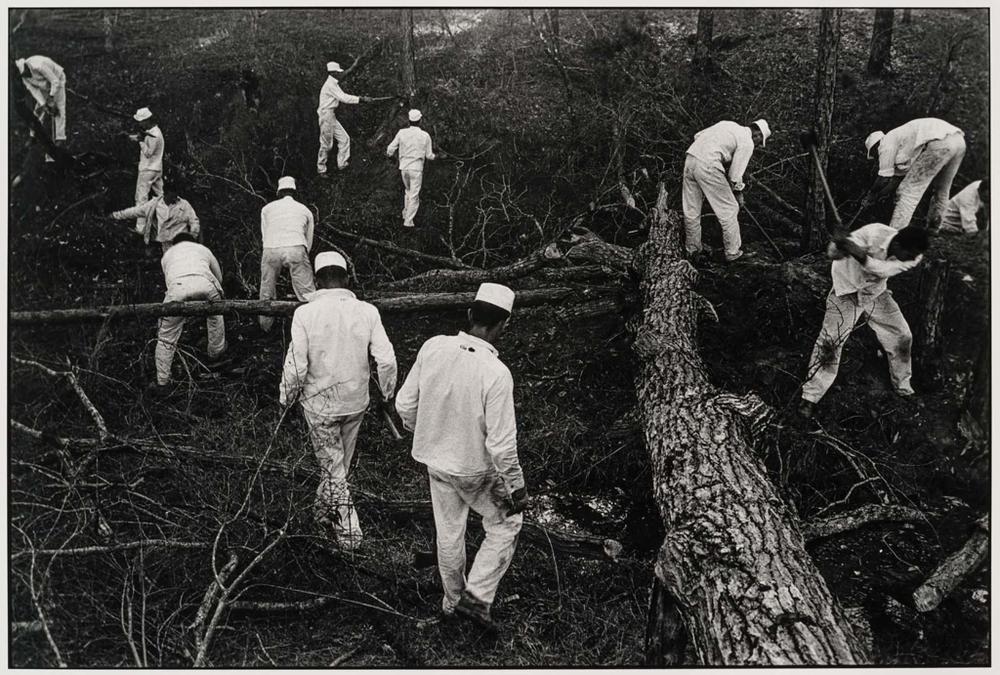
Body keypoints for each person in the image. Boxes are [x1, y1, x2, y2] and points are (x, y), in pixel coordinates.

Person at [395, 283, 528, 631]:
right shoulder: (496, 373)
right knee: (506, 524)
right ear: (505, 325)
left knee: (449, 531)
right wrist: (516, 488)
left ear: (469, 315)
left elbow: (404, 405)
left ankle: (452, 602)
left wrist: (421, 428)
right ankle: (476, 598)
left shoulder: (433, 347)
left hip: (435, 460)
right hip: (475, 470)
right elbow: (501, 445)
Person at [279, 251, 397, 550]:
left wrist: (286, 398)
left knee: (334, 468)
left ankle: (350, 538)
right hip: (355, 401)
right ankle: (321, 514)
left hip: (319, 405)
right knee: (336, 465)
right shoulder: (367, 311)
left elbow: (296, 364)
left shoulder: (305, 313)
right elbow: (386, 359)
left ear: (317, 281)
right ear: (346, 278)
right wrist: (386, 394)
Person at [799, 224, 930, 418]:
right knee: (830, 343)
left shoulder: (914, 257)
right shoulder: (873, 232)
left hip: (874, 292)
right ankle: (810, 397)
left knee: (902, 335)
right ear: (898, 245)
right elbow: (833, 255)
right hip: (846, 290)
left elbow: (880, 270)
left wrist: (859, 254)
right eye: (909, 254)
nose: (913, 259)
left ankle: (903, 387)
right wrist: (840, 243)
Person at [152, 233, 226, 390]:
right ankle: (215, 354)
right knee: (215, 317)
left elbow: (169, 280)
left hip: (178, 287)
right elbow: (218, 276)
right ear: (193, 241)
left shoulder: (167, 255)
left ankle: (162, 380)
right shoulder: (203, 249)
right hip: (206, 283)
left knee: (167, 334)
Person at [864, 118, 966, 231]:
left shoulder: (885, 143)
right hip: (959, 141)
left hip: (941, 141)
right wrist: (878, 196)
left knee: (907, 192)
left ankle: (896, 233)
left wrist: (871, 195)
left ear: (875, 146)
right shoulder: (901, 141)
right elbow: (895, 180)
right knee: (942, 188)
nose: (877, 157)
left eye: (874, 153)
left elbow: (884, 178)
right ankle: (933, 228)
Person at [259, 176, 316, 332]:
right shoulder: (305, 210)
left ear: (279, 192)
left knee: (267, 290)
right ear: (294, 192)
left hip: (271, 247)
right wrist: (302, 256)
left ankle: (265, 327)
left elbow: (265, 234)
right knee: (306, 292)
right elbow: (308, 239)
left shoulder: (267, 209)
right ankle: (313, 325)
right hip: (296, 246)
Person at [316, 61, 375, 176]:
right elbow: (344, 98)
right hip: (325, 115)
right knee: (326, 144)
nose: (339, 74)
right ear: (333, 73)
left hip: (330, 115)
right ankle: (321, 169)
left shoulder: (334, 83)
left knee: (344, 139)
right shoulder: (330, 85)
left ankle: (342, 164)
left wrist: (362, 99)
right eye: (337, 73)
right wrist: (362, 99)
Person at [386, 109, 437, 228]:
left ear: (409, 120)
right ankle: (408, 222)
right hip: (416, 168)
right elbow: (429, 156)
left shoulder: (401, 132)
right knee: (414, 194)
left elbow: (390, 149)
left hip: (404, 167)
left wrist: (391, 157)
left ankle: (405, 214)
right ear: (420, 120)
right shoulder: (425, 135)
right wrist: (437, 157)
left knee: (408, 191)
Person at [109, 187, 200, 252]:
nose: (175, 197)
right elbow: (135, 211)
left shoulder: (184, 204)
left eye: (176, 194)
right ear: (166, 193)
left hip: (182, 241)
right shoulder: (154, 205)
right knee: (170, 265)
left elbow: (194, 221)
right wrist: (116, 215)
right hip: (166, 243)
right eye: (172, 194)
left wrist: (192, 235)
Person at [16, 55, 66, 155]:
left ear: (27, 66)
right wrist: (44, 105)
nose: (26, 75)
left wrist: (51, 99)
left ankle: (60, 137)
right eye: (23, 74)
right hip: (43, 86)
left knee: (59, 108)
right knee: (38, 111)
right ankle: (33, 135)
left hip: (57, 79)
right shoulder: (23, 77)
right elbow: (33, 90)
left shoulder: (39, 65)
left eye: (26, 72)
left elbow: (55, 81)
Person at [130, 107, 165, 234]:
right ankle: (166, 224)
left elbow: (148, 152)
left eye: (141, 121)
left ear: (147, 120)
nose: (140, 124)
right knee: (161, 198)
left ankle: (140, 228)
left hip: (147, 170)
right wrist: (136, 138)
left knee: (141, 198)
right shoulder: (155, 131)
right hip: (156, 169)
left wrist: (140, 142)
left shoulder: (154, 134)